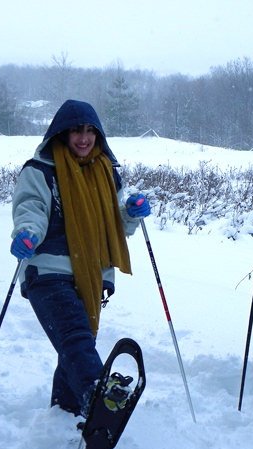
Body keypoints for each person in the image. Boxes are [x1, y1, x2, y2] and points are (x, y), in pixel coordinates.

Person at [10, 99, 151, 417]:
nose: (84, 138)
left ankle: (65, 410)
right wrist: (28, 233)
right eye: (76, 130)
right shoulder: (40, 172)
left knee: (75, 344)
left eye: (90, 131)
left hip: (90, 273)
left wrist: (130, 213)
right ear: (61, 133)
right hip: (47, 271)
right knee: (75, 336)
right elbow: (30, 208)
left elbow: (112, 224)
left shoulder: (105, 173)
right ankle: (95, 393)